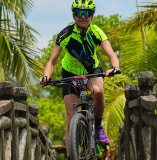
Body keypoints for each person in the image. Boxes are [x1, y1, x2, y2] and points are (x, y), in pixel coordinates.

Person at [40, 0, 121, 159]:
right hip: (70, 73)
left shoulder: (97, 32)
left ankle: (98, 127)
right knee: (71, 119)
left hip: (91, 71)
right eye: (78, 13)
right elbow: (52, 61)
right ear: (73, 15)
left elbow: (111, 54)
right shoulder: (66, 33)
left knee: (98, 92)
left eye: (86, 13)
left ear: (92, 15)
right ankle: (71, 157)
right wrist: (46, 76)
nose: (82, 17)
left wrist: (115, 67)